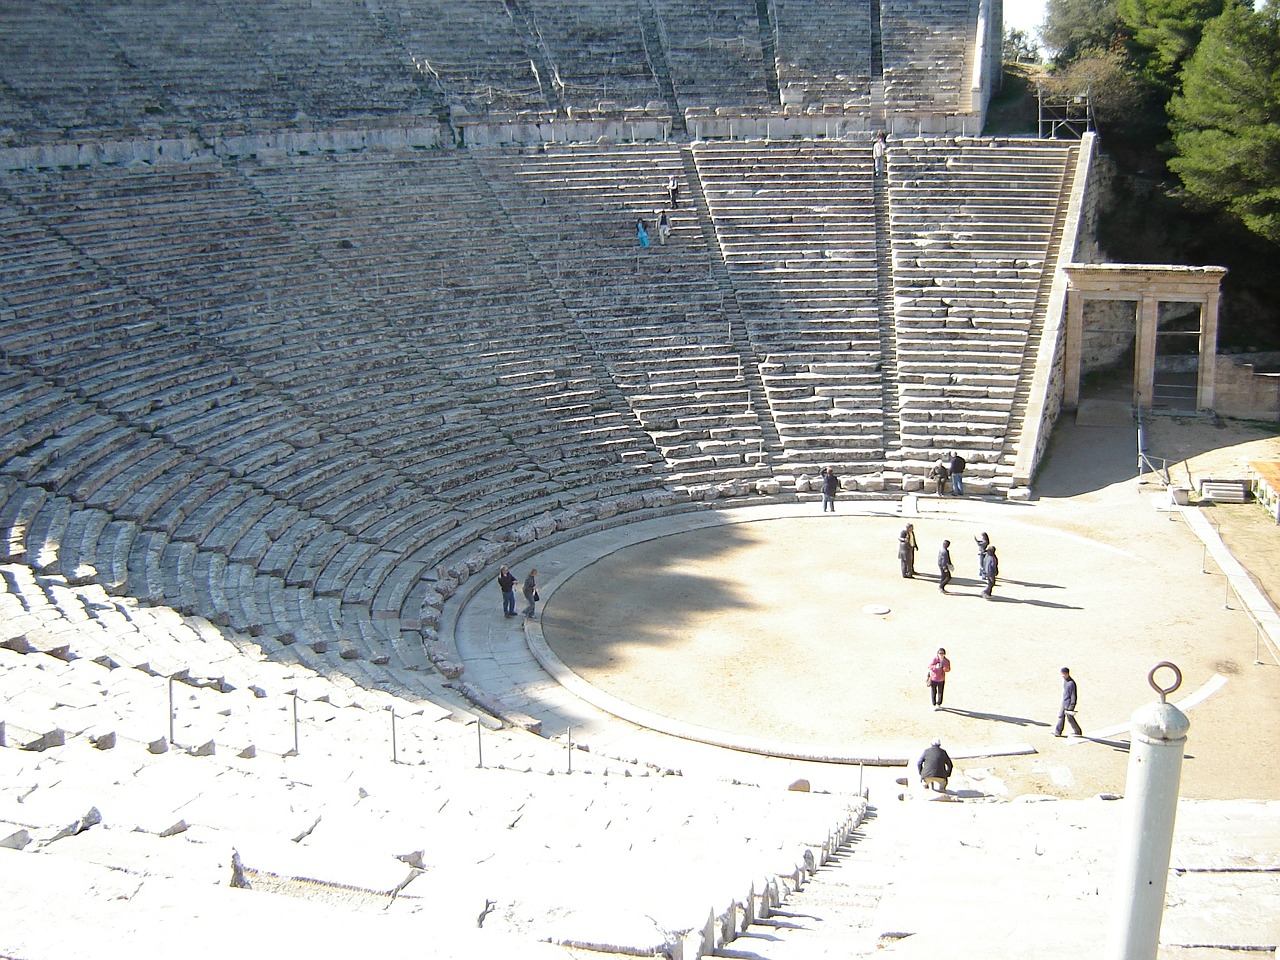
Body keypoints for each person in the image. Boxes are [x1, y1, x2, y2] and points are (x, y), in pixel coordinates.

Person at [1054, 667, 1082, 737]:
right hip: (1064, 702)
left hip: (1069, 704)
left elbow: (1073, 696)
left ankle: (1078, 731)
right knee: (1061, 716)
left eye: (1063, 674)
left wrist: (1071, 707)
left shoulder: (1071, 683)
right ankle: (1057, 732)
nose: (1062, 676)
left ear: (1066, 674)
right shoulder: (1065, 681)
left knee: (1070, 718)